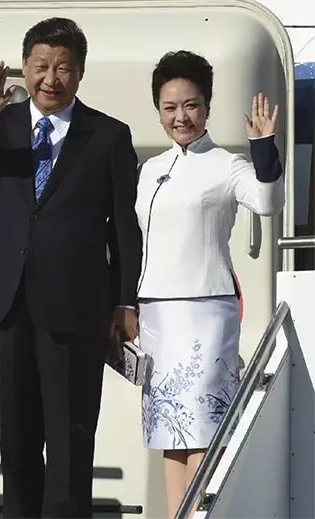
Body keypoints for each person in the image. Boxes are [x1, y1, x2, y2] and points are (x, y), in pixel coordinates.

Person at [0, 17, 141, 519]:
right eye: (41, 66)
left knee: (70, 440)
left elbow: (126, 229)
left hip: (76, 307)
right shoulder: (0, 124)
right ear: (24, 68)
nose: (51, 78)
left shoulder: (108, 135)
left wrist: (126, 300)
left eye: (63, 68)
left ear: (80, 73)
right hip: (7, 303)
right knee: (17, 436)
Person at [135, 50, 284, 519]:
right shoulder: (150, 170)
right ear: (158, 110)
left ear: (207, 106)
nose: (181, 116)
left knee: (202, 433)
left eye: (191, 105)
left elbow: (266, 201)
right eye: (170, 107)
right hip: (156, 314)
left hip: (204, 313)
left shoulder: (226, 164)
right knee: (169, 437)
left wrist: (264, 146)